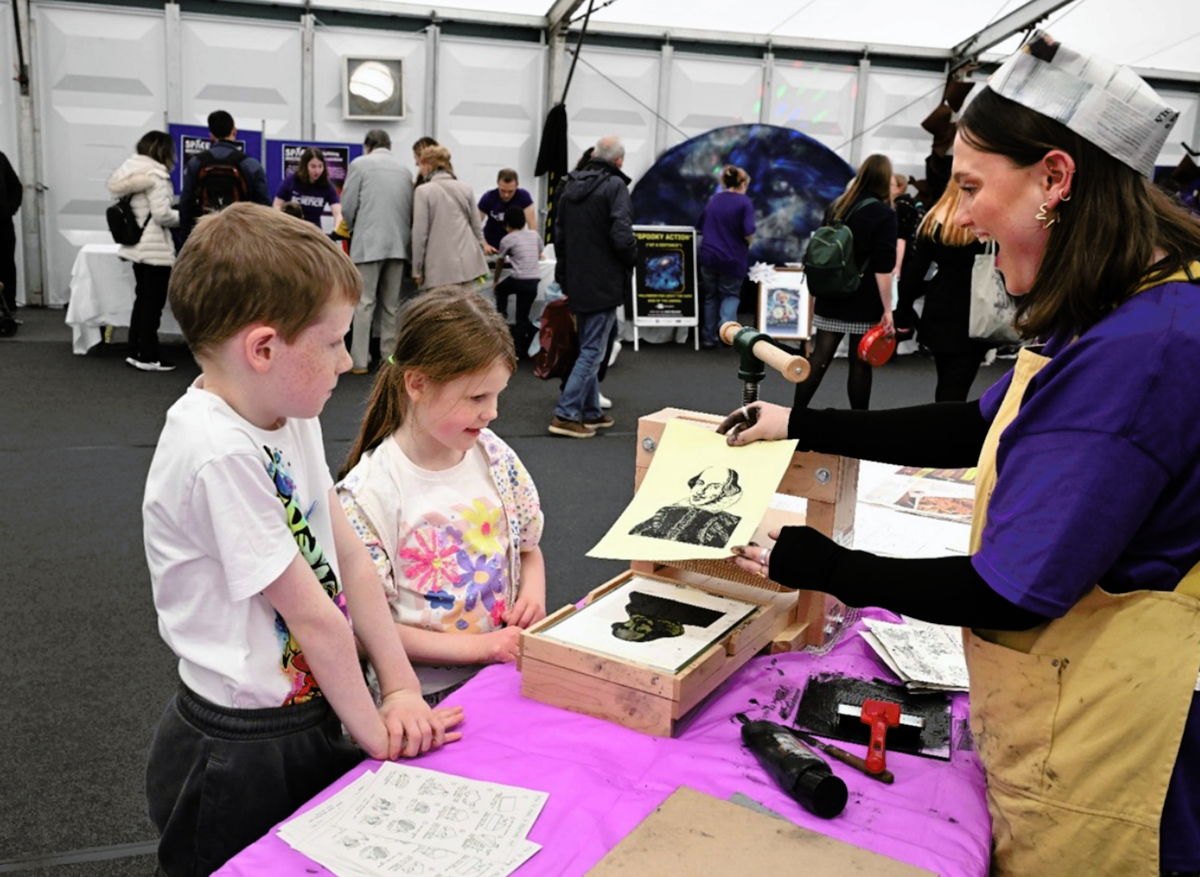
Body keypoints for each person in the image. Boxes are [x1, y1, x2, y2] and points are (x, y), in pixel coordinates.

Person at [719, 31, 1200, 877]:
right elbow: (974, 422)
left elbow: (1007, 590)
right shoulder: (1123, 305)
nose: (957, 215)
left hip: (1117, 742)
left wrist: (823, 562)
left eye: (973, 186)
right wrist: (801, 424)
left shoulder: (1142, 351)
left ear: (1056, 178)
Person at [143, 203, 462, 877]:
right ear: (263, 348)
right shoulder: (216, 450)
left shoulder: (288, 413)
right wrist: (378, 731)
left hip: (311, 711)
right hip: (236, 746)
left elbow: (347, 557)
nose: (349, 362)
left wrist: (400, 685)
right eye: (335, 341)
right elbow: (312, 613)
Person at [335, 289, 546, 704]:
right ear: (417, 384)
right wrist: (481, 648)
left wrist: (532, 595)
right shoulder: (369, 494)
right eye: (477, 397)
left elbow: (528, 547)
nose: (493, 412)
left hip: (503, 674)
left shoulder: (495, 456)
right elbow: (362, 629)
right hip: (421, 696)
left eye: (497, 394)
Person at [549, 136, 636, 438]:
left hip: (578, 280)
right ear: (619, 161)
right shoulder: (615, 187)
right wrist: (633, 258)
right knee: (592, 351)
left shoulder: (568, 186)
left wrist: (564, 277)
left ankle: (590, 411)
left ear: (593, 155)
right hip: (605, 282)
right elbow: (622, 235)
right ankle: (566, 412)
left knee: (590, 346)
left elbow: (558, 237)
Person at [797, 154, 897, 410]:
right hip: (863, 297)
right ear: (885, 179)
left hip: (830, 291)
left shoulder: (837, 206)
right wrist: (888, 309)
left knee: (820, 357)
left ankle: (796, 414)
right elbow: (883, 266)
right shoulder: (883, 213)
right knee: (861, 362)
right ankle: (859, 423)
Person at [899, 180, 990, 401]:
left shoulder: (934, 220)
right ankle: (946, 432)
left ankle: (940, 430)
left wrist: (902, 309)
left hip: (940, 302)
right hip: (976, 305)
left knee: (944, 380)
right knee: (960, 383)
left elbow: (916, 271)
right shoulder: (986, 219)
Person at [341, 129, 415, 374]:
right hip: (398, 244)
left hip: (368, 242)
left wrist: (352, 228)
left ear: (368, 145)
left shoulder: (360, 164)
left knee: (364, 303)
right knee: (391, 305)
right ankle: (389, 359)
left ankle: (360, 361)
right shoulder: (405, 170)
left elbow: (348, 205)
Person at [107, 130, 181, 372]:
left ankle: (135, 350)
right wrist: (185, 216)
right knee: (153, 304)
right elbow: (162, 215)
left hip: (138, 247)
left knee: (142, 301)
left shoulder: (130, 172)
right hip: (156, 249)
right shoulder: (157, 176)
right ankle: (148, 356)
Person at [179, 110, 269, 239]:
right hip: (241, 239)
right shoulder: (250, 165)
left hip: (206, 237)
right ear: (234, 131)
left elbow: (185, 205)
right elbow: (264, 209)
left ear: (211, 135)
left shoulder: (196, 163)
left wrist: (188, 240)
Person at [410, 145, 488, 294]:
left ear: (427, 165)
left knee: (441, 313)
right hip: (468, 266)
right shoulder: (466, 188)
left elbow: (420, 235)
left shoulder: (423, 191)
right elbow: (477, 229)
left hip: (439, 269)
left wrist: (417, 270)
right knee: (465, 311)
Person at [696, 165, 755, 348]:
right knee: (730, 296)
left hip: (708, 256)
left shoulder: (715, 200)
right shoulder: (745, 203)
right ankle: (727, 336)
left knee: (711, 297)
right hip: (732, 258)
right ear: (743, 183)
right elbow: (748, 230)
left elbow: (700, 225)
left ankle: (708, 337)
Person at [629, 466, 743, 548]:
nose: (701, 491)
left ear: (724, 492)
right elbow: (634, 537)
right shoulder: (667, 512)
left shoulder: (728, 522)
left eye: (714, 487)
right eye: (700, 483)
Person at [492, 205, 544, 357]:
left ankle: (502, 319)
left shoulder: (507, 239)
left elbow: (500, 262)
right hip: (533, 282)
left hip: (518, 279)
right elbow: (539, 251)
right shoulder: (534, 235)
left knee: (501, 290)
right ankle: (518, 351)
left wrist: (495, 281)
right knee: (522, 316)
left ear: (507, 224)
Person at [273, 146, 344, 229]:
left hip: (314, 229)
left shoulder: (327, 186)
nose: (317, 171)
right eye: (313, 166)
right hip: (292, 228)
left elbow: (338, 213)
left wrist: (336, 230)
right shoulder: (291, 181)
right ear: (305, 166)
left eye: (320, 166)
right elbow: (277, 205)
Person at [478, 168, 537, 254]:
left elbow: (532, 225)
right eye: (503, 191)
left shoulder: (524, 197)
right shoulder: (488, 198)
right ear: (498, 184)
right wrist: (484, 244)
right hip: (492, 245)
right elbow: (475, 224)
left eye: (510, 191)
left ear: (517, 186)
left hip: (516, 245)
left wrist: (530, 247)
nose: (506, 195)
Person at [891, 172, 921, 340]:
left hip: (903, 259)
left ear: (900, 187)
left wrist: (897, 265)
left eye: (891, 185)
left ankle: (904, 331)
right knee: (903, 301)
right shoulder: (911, 205)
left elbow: (900, 238)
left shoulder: (900, 207)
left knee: (900, 301)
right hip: (909, 257)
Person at [0, 149, 20, 314]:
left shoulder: (0, 158)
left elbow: (15, 186)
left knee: (6, 265)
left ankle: (8, 309)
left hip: (2, 224)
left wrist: (10, 208)